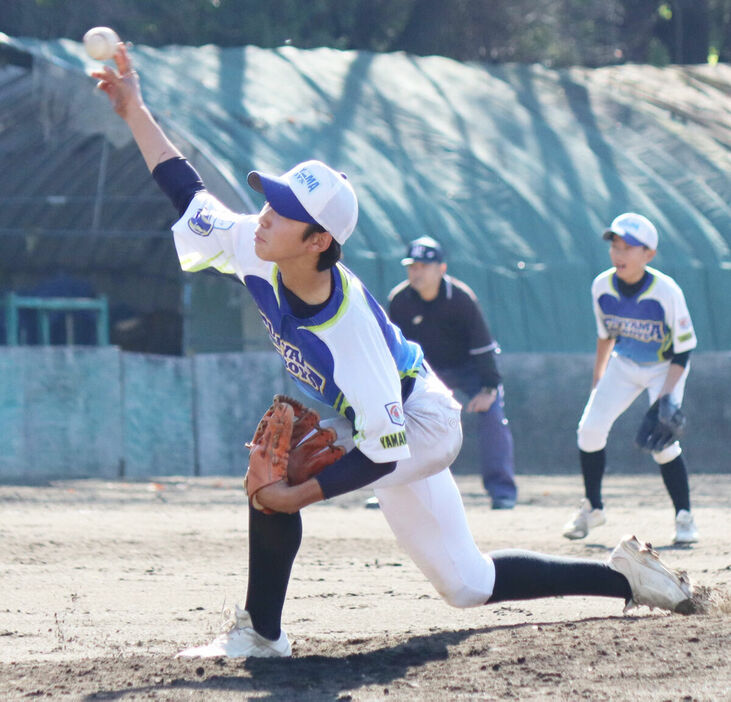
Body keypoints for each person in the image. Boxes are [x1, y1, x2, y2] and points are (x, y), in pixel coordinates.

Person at [92, 45, 693, 659]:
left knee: (282, 472)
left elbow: (383, 451)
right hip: (388, 418)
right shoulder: (255, 243)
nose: (265, 216)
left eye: (284, 211)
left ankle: (262, 636)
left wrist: (296, 495)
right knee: (467, 584)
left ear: (319, 240)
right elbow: (185, 190)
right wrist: (134, 109)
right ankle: (624, 577)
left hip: (420, 424)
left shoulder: (348, 332)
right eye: (271, 200)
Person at [562, 213, 699, 545]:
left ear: (649, 254)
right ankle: (593, 508)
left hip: (665, 367)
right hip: (623, 365)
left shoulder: (666, 291)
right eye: (615, 246)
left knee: (662, 441)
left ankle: (685, 517)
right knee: (589, 431)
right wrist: (598, 378)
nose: (619, 254)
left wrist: (666, 397)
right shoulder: (601, 286)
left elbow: (683, 350)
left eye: (629, 248)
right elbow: (605, 336)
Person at [388, 237, 517, 509]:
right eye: (412, 266)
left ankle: (502, 491)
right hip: (425, 374)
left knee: (493, 415)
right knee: (392, 416)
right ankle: (391, 487)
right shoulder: (399, 300)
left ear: (441, 269)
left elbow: (484, 347)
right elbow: (393, 352)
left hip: (469, 370)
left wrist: (489, 390)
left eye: (424, 265)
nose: (417, 272)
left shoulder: (461, 299)